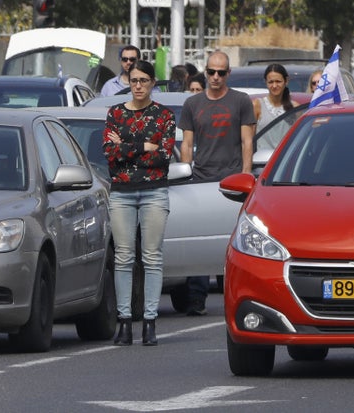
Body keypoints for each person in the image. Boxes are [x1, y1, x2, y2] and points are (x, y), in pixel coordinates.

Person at [103, 60, 175, 345]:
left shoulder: (164, 116)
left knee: (152, 257)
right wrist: (144, 145)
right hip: (121, 191)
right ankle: (124, 322)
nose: (138, 85)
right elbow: (110, 153)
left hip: (155, 191)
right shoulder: (115, 113)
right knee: (123, 257)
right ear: (128, 82)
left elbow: (163, 156)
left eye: (144, 80)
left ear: (152, 83)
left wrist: (126, 147)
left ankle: (149, 321)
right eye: (134, 80)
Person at [178, 50, 256, 315]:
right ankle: (196, 300)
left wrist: (246, 177)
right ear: (206, 71)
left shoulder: (241, 101)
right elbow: (187, 144)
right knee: (200, 240)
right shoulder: (193, 104)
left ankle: (233, 300)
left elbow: (248, 142)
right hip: (200, 180)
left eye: (221, 73)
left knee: (233, 242)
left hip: (232, 182)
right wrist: (185, 174)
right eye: (211, 71)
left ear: (228, 74)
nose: (215, 77)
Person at [253, 63, 292, 131]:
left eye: (278, 81)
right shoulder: (257, 105)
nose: (274, 86)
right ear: (266, 82)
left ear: (286, 81)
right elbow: (249, 138)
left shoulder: (295, 108)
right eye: (271, 82)